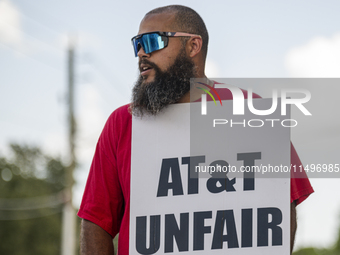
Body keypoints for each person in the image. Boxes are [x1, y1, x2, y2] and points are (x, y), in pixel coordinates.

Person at [78, 5, 314, 255]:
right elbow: (97, 222)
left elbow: (282, 204)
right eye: (137, 43)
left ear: (193, 46)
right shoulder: (121, 124)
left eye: (152, 40)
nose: (141, 52)